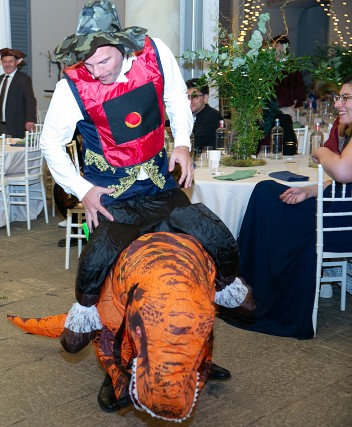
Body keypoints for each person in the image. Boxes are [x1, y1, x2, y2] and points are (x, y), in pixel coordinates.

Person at [39, 0, 233, 412]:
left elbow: (176, 98)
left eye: (104, 60)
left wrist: (183, 143)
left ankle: (196, 351)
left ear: (121, 46)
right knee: (103, 267)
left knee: (208, 242)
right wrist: (83, 190)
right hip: (111, 195)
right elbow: (50, 143)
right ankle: (115, 365)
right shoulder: (72, 85)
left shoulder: (155, 53)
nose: (96, 71)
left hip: (160, 184)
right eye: (88, 63)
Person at [233, 78, 352, 339]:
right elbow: (344, 182)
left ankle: (255, 293)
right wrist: (308, 191)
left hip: (340, 224)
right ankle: (248, 288)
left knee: (267, 198)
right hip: (335, 210)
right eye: (339, 97)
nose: (338, 104)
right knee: (267, 191)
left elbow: (343, 172)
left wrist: (321, 151)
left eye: (346, 98)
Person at [0, 48, 37, 138]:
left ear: (16, 62)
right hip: (0, 127)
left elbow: (30, 100)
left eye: (10, 61)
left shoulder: (24, 79)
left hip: (17, 127)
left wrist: (30, 120)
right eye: (5, 62)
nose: (7, 64)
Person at [272, 35, 306, 117]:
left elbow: (298, 88)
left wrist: (291, 109)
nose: (273, 48)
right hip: (271, 108)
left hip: (287, 108)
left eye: (276, 45)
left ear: (284, 47)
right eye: (272, 46)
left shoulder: (292, 67)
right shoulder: (268, 66)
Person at [186, 78, 223, 150]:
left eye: (194, 96)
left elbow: (196, 142)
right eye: (188, 97)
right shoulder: (186, 114)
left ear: (205, 98)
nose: (190, 100)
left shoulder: (212, 116)